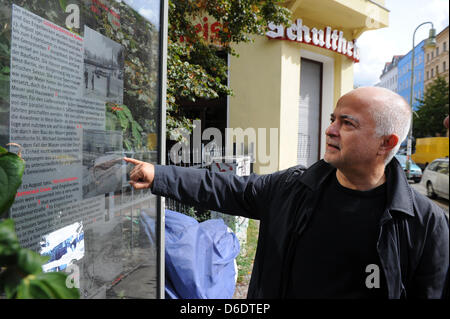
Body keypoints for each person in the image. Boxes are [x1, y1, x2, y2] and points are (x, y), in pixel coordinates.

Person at [124, 87, 449, 299]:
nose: (330, 129)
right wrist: (158, 174)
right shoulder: (293, 188)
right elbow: (226, 187)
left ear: (386, 143)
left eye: (347, 124)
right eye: (333, 119)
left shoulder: (425, 222)